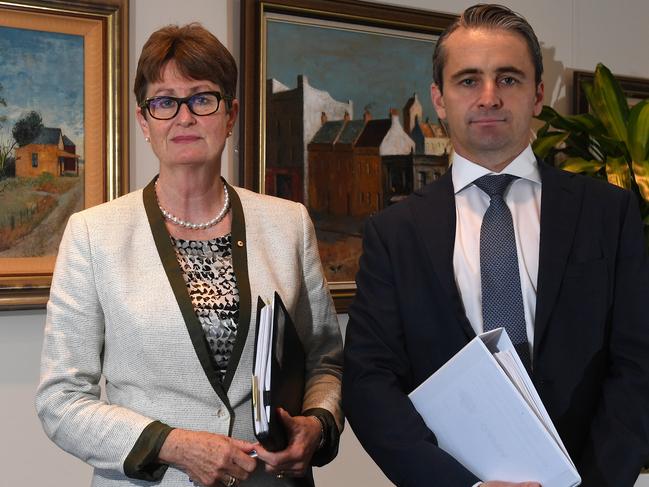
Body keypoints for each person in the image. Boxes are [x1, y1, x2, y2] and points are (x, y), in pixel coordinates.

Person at [342, 4, 649, 487]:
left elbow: (638, 365)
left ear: (537, 94)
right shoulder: (393, 232)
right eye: (468, 81)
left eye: (508, 79)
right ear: (439, 99)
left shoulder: (609, 213)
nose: (489, 97)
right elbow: (368, 382)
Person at [36, 23, 343, 487]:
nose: (185, 117)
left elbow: (324, 360)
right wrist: (171, 444)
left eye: (203, 98)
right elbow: (61, 400)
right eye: (164, 101)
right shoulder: (93, 235)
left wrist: (317, 425)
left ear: (230, 113)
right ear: (144, 120)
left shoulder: (288, 224)